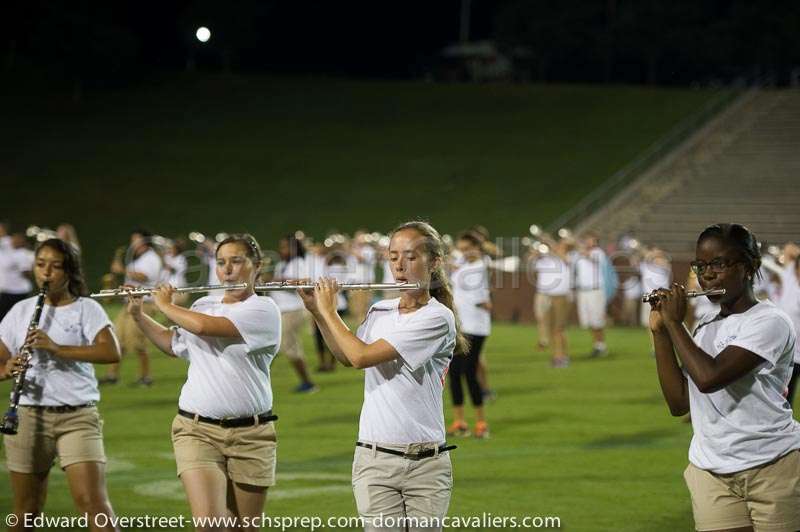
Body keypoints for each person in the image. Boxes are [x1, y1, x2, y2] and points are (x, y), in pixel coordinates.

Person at [298, 221, 462, 532]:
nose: (400, 265)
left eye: (411, 257)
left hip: (424, 463)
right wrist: (318, 313)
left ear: (434, 262)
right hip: (374, 459)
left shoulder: (437, 317)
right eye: (393, 256)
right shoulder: (380, 310)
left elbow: (361, 357)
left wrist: (331, 311)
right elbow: (347, 356)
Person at [648, 223, 800, 532]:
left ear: (748, 267)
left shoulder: (770, 321)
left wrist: (676, 324)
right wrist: (661, 331)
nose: (707, 274)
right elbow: (679, 403)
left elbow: (710, 378)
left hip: (773, 466)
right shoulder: (705, 326)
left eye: (718, 263)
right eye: (701, 266)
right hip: (711, 471)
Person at [128, 234, 281, 530]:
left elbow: (205, 327)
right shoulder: (203, 304)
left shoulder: (263, 309)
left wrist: (165, 304)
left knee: (244, 527)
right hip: (196, 430)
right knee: (208, 525)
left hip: (252, 434)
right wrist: (139, 315)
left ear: (257, 266)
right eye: (221, 262)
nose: (227, 270)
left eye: (237, 261)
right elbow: (174, 344)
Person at [0, 238, 121, 532]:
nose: (47, 273)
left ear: (69, 271)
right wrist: (7, 368)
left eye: (55, 266)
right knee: (26, 510)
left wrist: (56, 348)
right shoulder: (20, 310)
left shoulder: (86, 309)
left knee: (94, 504)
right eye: (41, 265)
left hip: (77, 416)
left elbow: (110, 352)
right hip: (28, 416)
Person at [100, 229, 163, 386]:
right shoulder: (138, 259)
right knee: (117, 338)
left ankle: (146, 377)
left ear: (145, 242)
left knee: (137, 342)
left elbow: (145, 277)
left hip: (143, 304)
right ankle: (112, 375)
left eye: (136, 240)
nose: (133, 244)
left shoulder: (151, 258)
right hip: (128, 303)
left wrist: (122, 270)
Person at [447, 231, 491, 438]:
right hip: (460, 326)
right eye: (461, 249)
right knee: (454, 372)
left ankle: (481, 422)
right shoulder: (465, 265)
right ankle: (460, 422)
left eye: (467, 249)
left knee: (469, 372)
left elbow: (480, 296)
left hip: (476, 327)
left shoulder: (480, 266)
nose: (463, 253)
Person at [267, 234, 317, 393]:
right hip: (282, 309)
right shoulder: (282, 264)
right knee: (283, 345)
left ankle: (308, 383)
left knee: (287, 346)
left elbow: (305, 281)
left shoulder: (298, 263)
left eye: (285, 247)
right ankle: (306, 382)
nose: (281, 250)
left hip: (294, 309)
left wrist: (278, 280)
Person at [532, 238, 573, 367]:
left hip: (561, 296)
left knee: (558, 328)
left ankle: (560, 358)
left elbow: (565, 259)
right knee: (551, 328)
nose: (558, 247)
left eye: (561, 245)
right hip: (549, 295)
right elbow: (532, 263)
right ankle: (559, 356)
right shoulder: (548, 259)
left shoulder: (570, 256)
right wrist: (536, 254)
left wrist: (550, 245)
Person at [572, 232, 609, 357]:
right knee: (587, 321)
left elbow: (591, 258)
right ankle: (597, 345)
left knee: (597, 320)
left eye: (592, 240)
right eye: (587, 240)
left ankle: (601, 346)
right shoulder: (578, 254)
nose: (589, 242)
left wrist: (577, 245)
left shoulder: (598, 252)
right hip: (583, 291)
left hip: (595, 290)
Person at [0, 233, 35, 321]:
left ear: (22, 242)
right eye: (13, 238)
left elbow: (27, 273)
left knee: (9, 316)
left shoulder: (22, 254)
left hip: (17, 291)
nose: (14, 241)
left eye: (17, 239)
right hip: (6, 291)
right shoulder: (9, 250)